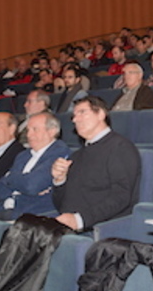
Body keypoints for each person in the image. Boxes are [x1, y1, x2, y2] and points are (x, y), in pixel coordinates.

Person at [51, 96, 141, 231]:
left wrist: (80, 220)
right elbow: (62, 205)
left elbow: (121, 197)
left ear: (101, 114)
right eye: (74, 115)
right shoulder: (76, 156)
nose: (75, 119)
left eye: (82, 112)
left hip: (102, 229)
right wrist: (59, 181)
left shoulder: (120, 147)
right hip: (68, 227)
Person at [0, 112, 71, 220]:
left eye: (35, 129)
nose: (29, 135)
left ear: (52, 131)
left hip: (33, 214)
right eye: (28, 130)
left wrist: (8, 178)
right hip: (5, 210)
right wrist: (20, 182)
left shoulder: (59, 152)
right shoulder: (23, 155)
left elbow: (31, 185)